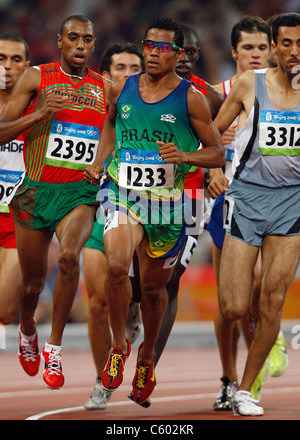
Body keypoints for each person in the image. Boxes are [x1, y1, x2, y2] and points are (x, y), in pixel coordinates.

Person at [84, 17, 225, 407]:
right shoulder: (122, 87)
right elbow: (111, 125)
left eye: (161, 48)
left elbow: (217, 153)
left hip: (167, 202)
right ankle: (118, 345)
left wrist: (185, 156)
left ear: (177, 54)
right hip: (123, 190)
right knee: (116, 266)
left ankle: (146, 356)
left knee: (152, 289)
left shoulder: (192, 98)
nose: (151, 53)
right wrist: (100, 159)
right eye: (148, 45)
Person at [0, 15, 111, 390]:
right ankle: (29, 327)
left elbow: (113, 134)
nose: (81, 45)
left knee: (68, 257)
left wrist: (101, 162)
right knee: (31, 287)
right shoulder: (35, 77)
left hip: (78, 193)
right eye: (74, 38)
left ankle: (54, 346)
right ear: (59, 40)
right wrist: (40, 114)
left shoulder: (105, 88)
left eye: (88, 40)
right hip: (34, 191)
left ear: (94, 45)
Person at [212, 12, 300, 416]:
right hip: (246, 197)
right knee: (232, 306)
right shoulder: (251, 83)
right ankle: (265, 330)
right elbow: (214, 130)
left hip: (292, 202)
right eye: (287, 44)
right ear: (275, 48)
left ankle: (246, 389)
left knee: (274, 297)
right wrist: (214, 169)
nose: (295, 52)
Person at [152, 23, 223, 367]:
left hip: (189, 195)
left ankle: (148, 362)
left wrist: (214, 170)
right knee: (135, 284)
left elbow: (220, 144)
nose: (185, 58)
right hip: (142, 194)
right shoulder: (140, 87)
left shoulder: (207, 96)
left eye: (192, 52)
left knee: (171, 279)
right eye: (179, 50)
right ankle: (132, 327)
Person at [83, 41, 144, 411]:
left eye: (134, 67)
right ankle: (102, 378)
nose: (128, 74)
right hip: (92, 206)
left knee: (133, 292)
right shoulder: (88, 105)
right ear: (105, 76)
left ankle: (130, 318)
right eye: (120, 68)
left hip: (140, 205)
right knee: (94, 303)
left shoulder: (148, 106)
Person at [0, 33, 29, 326]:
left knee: (6, 312)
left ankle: (27, 329)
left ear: (27, 66)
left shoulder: (39, 107)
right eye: (1, 59)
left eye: (15, 59)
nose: (7, 66)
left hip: (15, 218)